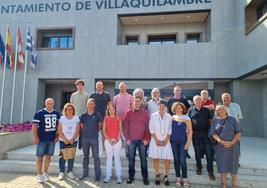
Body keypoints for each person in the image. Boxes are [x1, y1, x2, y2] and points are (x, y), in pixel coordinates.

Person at [209, 105, 241, 188]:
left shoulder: (232, 119)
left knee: (233, 165)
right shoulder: (214, 121)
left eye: (222, 109)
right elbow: (213, 133)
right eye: (219, 109)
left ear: (226, 110)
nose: (221, 110)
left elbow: (238, 133)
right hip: (220, 147)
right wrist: (220, 141)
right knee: (222, 165)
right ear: (217, 111)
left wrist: (231, 142)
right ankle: (223, 184)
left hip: (233, 147)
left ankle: (235, 184)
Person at [32, 98, 61, 183]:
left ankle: (45, 173)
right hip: (41, 139)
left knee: (48, 157)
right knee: (39, 157)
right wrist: (35, 137)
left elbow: (59, 126)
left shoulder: (56, 113)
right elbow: (34, 126)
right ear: (45, 104)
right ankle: (39, 174)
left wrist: (57, 136)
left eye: (51, 103)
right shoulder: (39, 113)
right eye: (48, 103)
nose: (50, 104)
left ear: (53, 104)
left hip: (52, 139)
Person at [124, 96, 150, 185]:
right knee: (131, 159)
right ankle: (130, 177)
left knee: (143, 159)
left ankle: (145, 178)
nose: (137, 103)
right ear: (133, 103)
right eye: (135, 101)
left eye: (138, 101)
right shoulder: (128, 113)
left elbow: (147, 127)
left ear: (141, 102)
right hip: (131, 141)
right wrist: (127, 139)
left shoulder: (145, 113)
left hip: (142, 141)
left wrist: (146, 139)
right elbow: (125, 127)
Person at [188, 95, 215, 180]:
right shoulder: (190, 110)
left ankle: (210, 171)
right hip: (195, 135)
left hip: (206, 134)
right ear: (194, 102)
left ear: (202, 101)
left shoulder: (206, 110)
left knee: (208, 154)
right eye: (196, 100)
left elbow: (210, 121)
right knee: (197, 153)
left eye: (199, 100)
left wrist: (211, 133)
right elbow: (188, 122)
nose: (198, 102)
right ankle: (199, 168)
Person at [149, 100, 173, 186]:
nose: (162, 107)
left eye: (163, 106)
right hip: (155, 140)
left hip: (166, 140)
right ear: (157, 107)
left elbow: (170, 129)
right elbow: (151, 128)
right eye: (160, 106)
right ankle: (157, 176)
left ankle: (166, 176)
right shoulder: (153, 116)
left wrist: (167, 139)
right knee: (156, 158)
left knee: (167, 159)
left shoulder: (169, 116)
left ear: (166, 107)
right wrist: (156, 140)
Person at [79, 98, 102, 182]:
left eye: (92, 103)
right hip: (85, 139)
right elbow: (81, 126)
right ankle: (85, 173)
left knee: (96, 157)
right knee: (85, 157)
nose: (90, 105)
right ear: (86, 104)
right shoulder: (83, 115)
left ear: (94, 105)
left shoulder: (98, 114)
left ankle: (97, 175)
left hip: (94, 139)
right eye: (89, 103)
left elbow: (99, 126)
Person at [170, 102, 192, 187]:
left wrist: (188, 143)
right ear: (174, 109)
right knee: (176, 160)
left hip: (183, 142)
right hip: (173, 141)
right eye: (176, 108)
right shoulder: (172, 117)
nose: (178, 109)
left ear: (183, 108)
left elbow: (190, 132)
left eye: (180, 107)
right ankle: (178, 177)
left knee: (182, 160)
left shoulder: (186, 117)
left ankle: (185, 177)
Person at [57, 103, 80, 180]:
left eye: (71, 109)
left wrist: (72, 139)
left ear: (73, 110)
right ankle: (61, 172)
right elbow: (59, 130)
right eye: (68, 109)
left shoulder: (76, 118)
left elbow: (77, 129)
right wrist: (65, 139)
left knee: (71, 156)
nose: (69, 111)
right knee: (62, 156)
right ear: (65, 110)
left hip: (73, 141)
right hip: (63, 141)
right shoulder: (62, 118)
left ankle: (70, 171)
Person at [89, 81, 112, 154]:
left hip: (104, 117)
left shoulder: (107, 94)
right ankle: (93, 151)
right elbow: (89, 105)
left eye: (101, 85)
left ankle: (104, 151)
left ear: (102, 86)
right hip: (94, 118)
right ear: (96, 86)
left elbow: (110, 105)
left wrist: (109, 115)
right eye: (98, 85)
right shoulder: (92, 95)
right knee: (93, 135)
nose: (99, 86)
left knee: (104, 135)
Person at [103, 104, 123, 184]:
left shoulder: (118, 118)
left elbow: (120, 130)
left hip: (117, 141)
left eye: (113, 109)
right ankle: (108, 175)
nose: (112, 110)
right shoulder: (106, 119)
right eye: (110, 109)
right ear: (108, 110)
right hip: (108, 141)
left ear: (115, 110)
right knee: (109, 158)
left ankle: (119, 176)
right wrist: (108, 139)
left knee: (117, 158)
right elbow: (104, 131)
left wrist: (117, 139)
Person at [70, 79, 89, 149]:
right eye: (78, 85)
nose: (80, 86)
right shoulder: (73, 95)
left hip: (83, 116)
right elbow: (71, 105)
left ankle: (81, 147)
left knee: (82, 132)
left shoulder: (86, 95)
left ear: (83, 86)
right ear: (76, 86)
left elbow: (88, 106)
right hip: (75, 116)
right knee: (73, 131)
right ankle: (72, 145)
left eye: (81, 85)